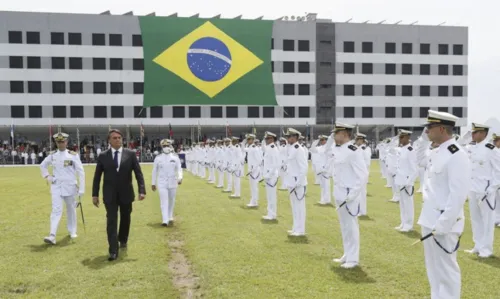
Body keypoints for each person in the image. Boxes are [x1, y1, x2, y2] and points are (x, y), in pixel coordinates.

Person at [417, 110, 470, 299]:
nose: (427, 131)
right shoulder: (436, 151)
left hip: (443, 224)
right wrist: (423, 141)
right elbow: (420, 160)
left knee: (447, 271)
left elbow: (458, 195)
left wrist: (444, 223)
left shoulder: (457, 155)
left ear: (441, 128)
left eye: (429, 127)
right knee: (433, 270)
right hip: (429, 219)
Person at [92, 129, 146, 261]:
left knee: (125, 217)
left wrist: (142, 190)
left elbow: (138, 173)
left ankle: (123, 239)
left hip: (126, 193)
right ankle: (113, 250)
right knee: (111, 220)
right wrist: (95, 194)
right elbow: (97, 176)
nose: (117, 140)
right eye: (114, 138)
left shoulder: (131, 154)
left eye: (119, 138)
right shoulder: (103, 156)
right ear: (109, 140)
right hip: (110, 194)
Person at [326, 123, 368, 268]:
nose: (334, 135)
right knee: (344, 226)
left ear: (344, 133)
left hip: (349, 194)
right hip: (339, 193)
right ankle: (347, 254)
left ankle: (353, 259)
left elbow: (362, 175)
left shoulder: (353, 151)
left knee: (351, 226)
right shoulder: (338, 149)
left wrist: (352, 194)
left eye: (336, 133)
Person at [40, 132, 85, 245]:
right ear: (56, 142)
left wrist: (81, 189)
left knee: (71, 210)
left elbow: (80, 172)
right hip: (57, 187)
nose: (61, 143)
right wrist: (48, 177)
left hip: (70, 187)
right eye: (59, 142)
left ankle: (72, 231)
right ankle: (52, 235)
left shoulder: (73, 155)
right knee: (56, 210)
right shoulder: (52, 155)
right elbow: (42, 165)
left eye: (63, 141)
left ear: (66, 142)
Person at [463, 123, 500, 258]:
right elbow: (459, 145)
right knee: (475, 219)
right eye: (472, 133)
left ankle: (486, 249)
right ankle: (477, 246)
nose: (473, 135)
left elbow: (498, 170)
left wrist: (491, 188)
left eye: (475, 132)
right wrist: (466, 137)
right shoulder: (471, 148)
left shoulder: (491, 149)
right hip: (473, 189)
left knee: (487, 221)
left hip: (486, 191)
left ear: (484, 133)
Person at [151, 139, 183, 226]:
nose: (166, 147)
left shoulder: (175, 158)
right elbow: (154, 171)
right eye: (164, 146)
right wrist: (153, 183)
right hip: (162, 182)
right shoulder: (158, 158)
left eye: (167, 146)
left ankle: (170, 216)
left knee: (171, 200)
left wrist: (180, 178)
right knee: (163, 200)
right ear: (162, 147)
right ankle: (165, 220)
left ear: (170, 146)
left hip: (173, 182)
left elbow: (179, 169)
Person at [283, 128, 308, 236]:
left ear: (295, 137)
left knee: (300, 207)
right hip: (291, 182)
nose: (288, 139)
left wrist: (298, 181)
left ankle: (300, 230)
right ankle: (295, 227)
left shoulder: (299, 149)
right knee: (294, 207)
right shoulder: (291, 148)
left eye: (289, 137)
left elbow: (304, 167)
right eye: (287, 137)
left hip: (298, 183)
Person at [394, 130, 418, 232]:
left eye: (402, 137)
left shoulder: (410, 150)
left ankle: (409, 225)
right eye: (400, 137)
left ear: (407, 138)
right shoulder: (402, 149)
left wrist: (409, 182)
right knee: (402, 204)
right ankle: (403, 222)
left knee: (408, 204)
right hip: (400, 181)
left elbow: (414, 169)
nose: (400, 139)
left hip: (407, 182)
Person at [261, 131, 281, 220]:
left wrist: (269, 174)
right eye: (266, 138)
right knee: (269, 196)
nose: (266, 140)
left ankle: (272, 214)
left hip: (271, 176)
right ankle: (270, 213)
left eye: (268, 138)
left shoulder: (273, 148)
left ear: (273, 139)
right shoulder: (269, 148)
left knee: (272, 196)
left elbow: (276, 164)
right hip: (268, 175)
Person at [310, 135, 332, 205]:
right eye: (321, 140)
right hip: (320, 169)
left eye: (323, 140)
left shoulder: (328, 148)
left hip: (325, 170)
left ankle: (326, 200)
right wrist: (314, 144)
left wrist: (326, 168)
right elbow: (312, 150)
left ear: (326, 140)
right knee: (322, 186)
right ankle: (324, 199)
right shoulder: (320, 148)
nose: (322, 141)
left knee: (326, 185)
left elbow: (330, 159)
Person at [243, 134, 262, 207]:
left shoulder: (255, 148)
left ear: (253, 140)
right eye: (247, 139)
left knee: (254, 187)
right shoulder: (250, 147)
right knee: (252, 187)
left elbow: (259, 160)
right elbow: (243, 149)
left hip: (254, 171)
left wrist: (253, 169)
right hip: (251, 170)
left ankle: (255, 202)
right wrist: (243, 143)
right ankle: (252, 201)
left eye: (249, 139)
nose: (248, 141)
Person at [354, 134, 371, 216]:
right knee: (358, 193)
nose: (356, 141)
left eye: (358, 139)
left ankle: (362, 211)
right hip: (357, 173)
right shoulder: (358, 148)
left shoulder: (365, 149)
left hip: (362, 174)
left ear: (362, 140)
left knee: (362, 193)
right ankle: (359, 210)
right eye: (356, 139)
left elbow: (367, 162)